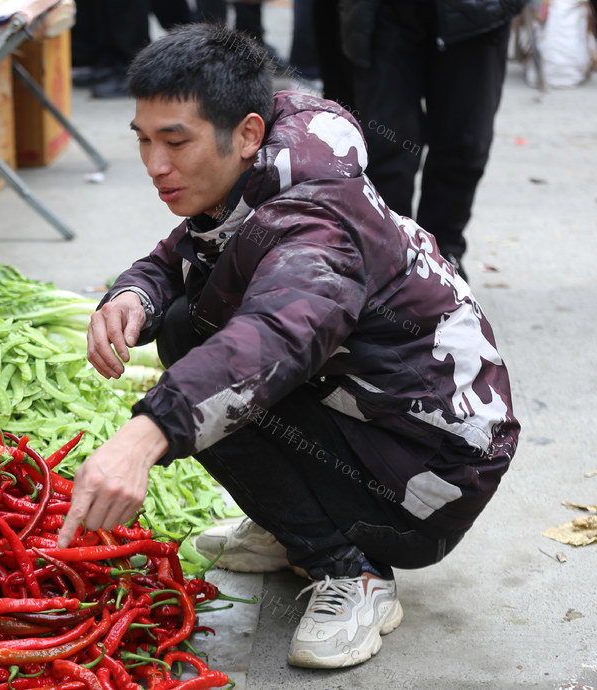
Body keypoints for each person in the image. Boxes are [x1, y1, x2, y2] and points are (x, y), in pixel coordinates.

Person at [55, 23, 519, 670]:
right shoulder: (262, 157)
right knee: (189, 324)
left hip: (431, 476)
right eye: (144, 140)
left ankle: (351, 572)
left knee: (210, 362)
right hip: (383, 422)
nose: (156, 165)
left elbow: (274, 336)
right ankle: (294, 525)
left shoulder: (315, 222)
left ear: (245, 132)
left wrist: (147, 433)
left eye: (176, 142)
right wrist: (135, 294)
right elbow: (186, 251)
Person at [340, 0, 528, 278]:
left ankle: (442, 258)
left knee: (464, 140)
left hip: (477, 14)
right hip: (383, 12)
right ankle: (387, 260)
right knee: (384, 142)